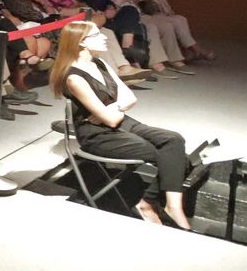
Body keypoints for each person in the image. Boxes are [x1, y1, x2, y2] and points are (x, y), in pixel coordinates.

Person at [52, 23, 192, 229]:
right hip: (97, 134)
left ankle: (153, 202)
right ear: (81, 42)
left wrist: (112, 108)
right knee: (174, 157)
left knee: (174, 140)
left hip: (123, 122)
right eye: (96, 34)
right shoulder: (73, 77)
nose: (104, 37)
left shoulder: (99, 63)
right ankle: (165, 206)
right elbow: (110, 120)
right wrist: (113, 111)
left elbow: (130, 98)